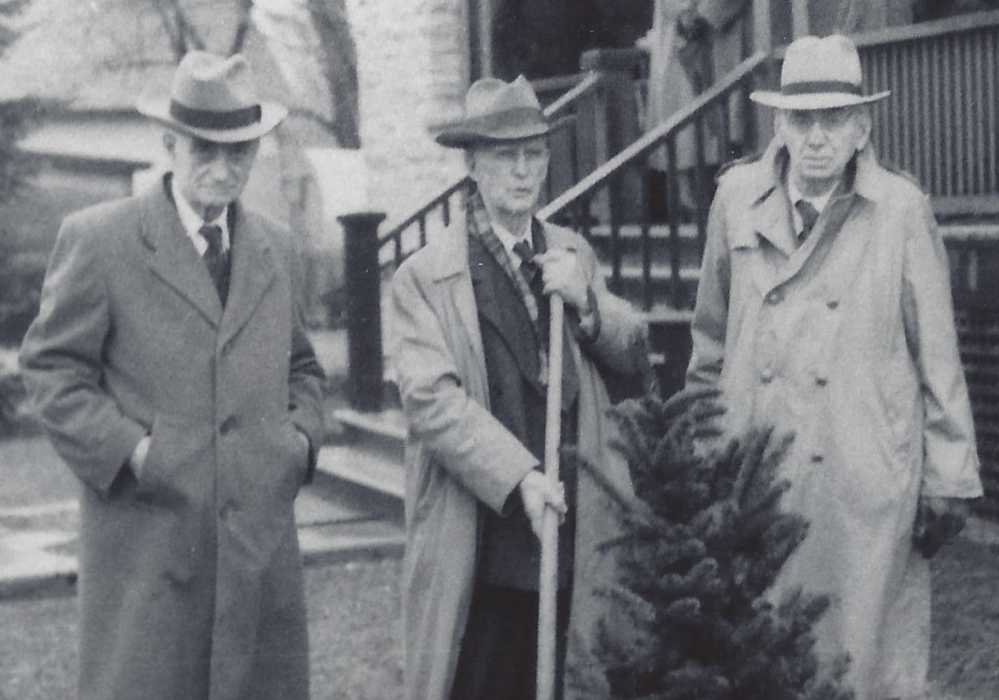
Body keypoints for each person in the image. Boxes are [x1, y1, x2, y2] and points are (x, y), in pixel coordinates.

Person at [19, 51, 325, 700]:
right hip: (150, 539)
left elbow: (302, 366)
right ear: (167, 144)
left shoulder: (276, 245)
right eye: (202, 150)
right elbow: (52, 369)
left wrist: (296, 444)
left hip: (256, 540)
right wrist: (136, 453)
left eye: (239, 151)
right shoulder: (100, 240)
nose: (222, 168)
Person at [686, 35, 982, 700]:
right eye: (801, 120)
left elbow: (938, 355)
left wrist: (947, 479)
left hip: (861, 481)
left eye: (833, 121)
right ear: (778, 126)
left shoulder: (899, 210)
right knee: (761, 661)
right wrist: (704, 456)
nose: (816, 138)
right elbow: (707, 342)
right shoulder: (735, 199)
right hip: (756, 479)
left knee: (862, 668)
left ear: (860, 130)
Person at [392, 75, 649, 700]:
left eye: (534, 154)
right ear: (473, 165)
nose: (523, 171)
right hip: (483, 540)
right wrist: (518, 477)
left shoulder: (570, 252)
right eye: (507, 156)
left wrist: (587, 303)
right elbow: (431, 401)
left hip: (571, 525)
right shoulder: (425, 275)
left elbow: (634, 350)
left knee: (572, 677)